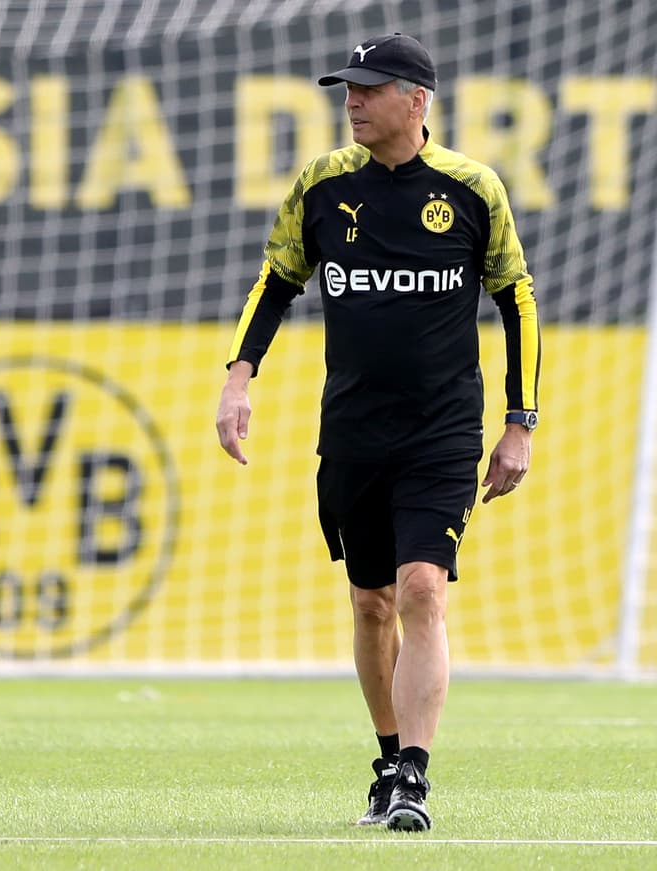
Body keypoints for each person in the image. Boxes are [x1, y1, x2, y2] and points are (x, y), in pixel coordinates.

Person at [215, 33, 540, 832]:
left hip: (441, 431)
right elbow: (277, 279)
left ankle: (415, 779)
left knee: (424, 587)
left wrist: (518, 422)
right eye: (347, 90)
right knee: (371, 603)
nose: (352, 102)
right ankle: (388, 758)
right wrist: (238, 375)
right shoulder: (323, 185)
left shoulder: (471, 187)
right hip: (353, 430)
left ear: (417, 100)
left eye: (369, 88)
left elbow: (517, 299)